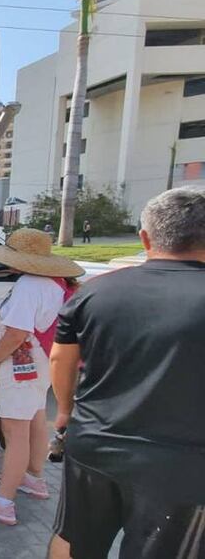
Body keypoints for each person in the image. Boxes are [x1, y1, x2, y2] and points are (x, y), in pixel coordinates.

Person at [48, 187, 205, 559]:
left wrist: (66, 413)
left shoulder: (95, 292)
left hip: (93, 444)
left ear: (145, 238)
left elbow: (60, 359)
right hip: (181, 463)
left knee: (72, 539)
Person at [0, 228, 84, 526]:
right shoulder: (55, 282)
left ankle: (3, 501)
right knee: (35, 420)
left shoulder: (30, 285)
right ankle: (34, 478)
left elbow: (16, 333)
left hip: (20, 364)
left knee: (15, 433)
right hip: (40, 363)